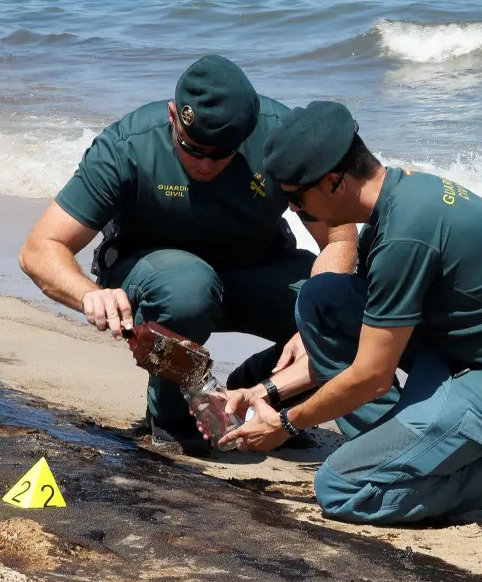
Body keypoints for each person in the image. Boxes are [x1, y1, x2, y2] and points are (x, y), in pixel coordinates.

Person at [217, 101, 482, 536]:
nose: (294, 212)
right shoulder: (397, 198)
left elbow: (372, 376)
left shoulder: (405, 235)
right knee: (322, 298)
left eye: (296, 199)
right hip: (462, 353)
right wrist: (262, 391)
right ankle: (392, 448)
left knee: (340, 487)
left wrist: (286, 423)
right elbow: (366, 351)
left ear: (334, 181)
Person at [18, 56, 357, 454]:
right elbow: (40, 249)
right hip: (159, 282)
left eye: (222, 154)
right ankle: (172, 417)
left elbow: (339, 235)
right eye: (192, 148)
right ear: (173, 116)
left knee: (343, 304)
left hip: (255, 270)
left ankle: (265, 396)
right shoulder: (129, 146)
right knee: (188, 285)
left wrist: (315, 321)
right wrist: (89, 293)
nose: (205, 163)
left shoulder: (282, 139)